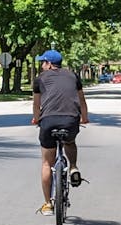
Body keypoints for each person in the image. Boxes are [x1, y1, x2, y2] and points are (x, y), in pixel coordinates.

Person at [31, 49, 89, 215]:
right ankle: (73, 167)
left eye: (43, 62)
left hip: (48, 121)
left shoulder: (40, 79)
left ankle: (48, 204)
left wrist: (36, 119)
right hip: (71, 120)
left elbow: (36, 105)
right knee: (69, 141)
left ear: (49, 64)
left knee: (46, 163)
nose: (42, 66)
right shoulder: (73, 76)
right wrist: (84, 118)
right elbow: (81, 100)